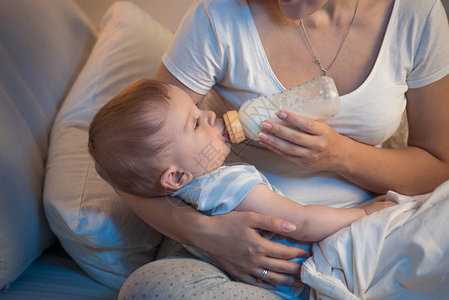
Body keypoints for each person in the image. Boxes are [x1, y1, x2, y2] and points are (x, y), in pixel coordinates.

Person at [115, 0, 448, 298]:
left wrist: (340, 155)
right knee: (149, 287)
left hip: (363, 234)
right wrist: (207, 233)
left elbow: (438, 166)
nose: (207, 114)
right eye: (196, 121)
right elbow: (133, 165)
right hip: (235, 242)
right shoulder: (218, 15)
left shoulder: (415, 15)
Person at [88, 78, 395, 299]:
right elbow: (301, 223)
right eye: (195, 123)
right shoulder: (228, 186)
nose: (209, 113)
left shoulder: (186, 195)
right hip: (301, 279)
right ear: (176, 176)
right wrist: (365, 211)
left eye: (198, 107)